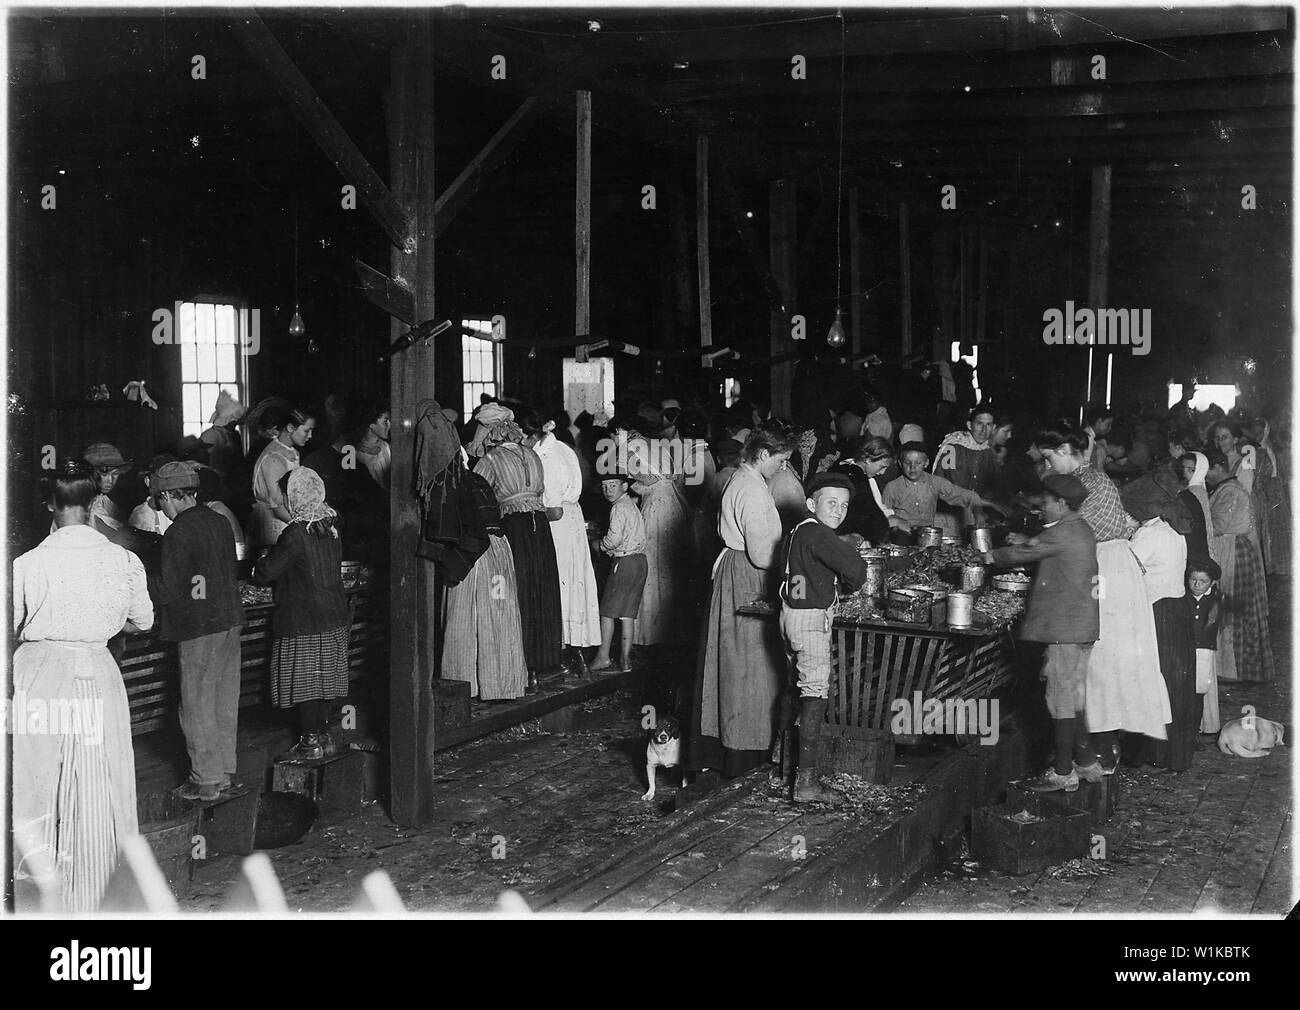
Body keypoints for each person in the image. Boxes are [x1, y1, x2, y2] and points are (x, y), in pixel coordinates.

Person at [12, 460, 154, 912]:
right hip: (99, 670)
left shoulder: (28, 563)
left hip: (41, 675)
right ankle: (99, 895)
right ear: (95, 501)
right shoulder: (122, 558)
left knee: (39, 785)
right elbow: (143, 620)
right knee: (101, 782)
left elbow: (12, 625)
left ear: (49, 504)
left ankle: (42, 905)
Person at [1035, 423, 1170, 771]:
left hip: (1107, 568)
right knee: (1096, 661)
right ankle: (1091, 743)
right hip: (1103, 565)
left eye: (1050, 458)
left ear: (1066, 450)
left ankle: (1104, 745)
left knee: (1104, 661)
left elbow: (1070, 533)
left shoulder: (1091, 483)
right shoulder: (1084, 479)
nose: (1048, 466)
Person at [688, 419, 795, 777]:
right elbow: (764, 555)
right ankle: (744, 750)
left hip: (738, 570)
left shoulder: (745, 479)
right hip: (749, 576)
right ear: (763, 454)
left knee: (742, 664)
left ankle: (741, 745)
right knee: (749, 667)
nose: (782, 468)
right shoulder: (750, 488)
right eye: (780, 460)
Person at [984, 473, 1099, 792]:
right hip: (1082, 626)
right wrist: (1027, 542)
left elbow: (1025, 553)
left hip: (1065, 629)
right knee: (1074, 696)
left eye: (1046, 504)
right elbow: (1044, 546)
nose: (1042, 509)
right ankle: (1087, 762)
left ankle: (1062, 771)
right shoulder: (1080, 528)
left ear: (1062, 504)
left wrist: (990, 555)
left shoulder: (1062, 532)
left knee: (1060, 699)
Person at [150, 461, 245, 799]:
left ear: (166, 497)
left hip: (198, 626)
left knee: (196, 704)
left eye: (158, 502)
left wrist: (134, 576)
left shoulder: (177, 531)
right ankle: (223, 775)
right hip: (229, 621)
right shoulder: (218, 521)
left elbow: (168, 590)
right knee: (223, 700)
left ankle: (204, 781)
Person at [778, 472, 867, 803]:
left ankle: (783, 764)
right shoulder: (820, 533)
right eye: (832, 502)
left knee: (793, 686)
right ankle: (806, 783)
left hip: (789, 616)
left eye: (844, 505)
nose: (839, 510)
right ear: (812, 503)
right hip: (811, 621)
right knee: (815, 695)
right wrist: (847, 583)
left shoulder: (798, 529)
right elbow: (858, 570)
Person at [254, 468, 350, 759]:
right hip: (333, 613)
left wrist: (261, 562)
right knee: (324, 682)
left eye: (285, 495)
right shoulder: (330, 525)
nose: (284, 501)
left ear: (295, 496)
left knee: (306, 683)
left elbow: (267, 572)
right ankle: (324, 737)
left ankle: (310, 743)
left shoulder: (295, 533)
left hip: (304, 617)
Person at [473, 418, 564, 689]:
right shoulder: (532, 454)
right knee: (542, 590)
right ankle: (543, 663)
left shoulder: (491, 459)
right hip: (540, 528)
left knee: (516, 591)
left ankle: (519, 666)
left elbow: (475, 491)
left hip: (513, 527)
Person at [440, 465, 528, 701]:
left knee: (465, 619)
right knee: (497, 616)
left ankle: (464, 686)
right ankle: (499, 685)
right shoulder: (477, 478)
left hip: (474, 554)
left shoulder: (450, 483)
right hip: (498, 550)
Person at [525, 412, 601, 677]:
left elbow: (553, 510)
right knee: (572, 588)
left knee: (559, 587)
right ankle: (576, 656)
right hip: (572, 520)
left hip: (558, 524)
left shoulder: (547, 458)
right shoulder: (563, 447)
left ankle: (561, 655)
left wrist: (524, 510)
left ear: (532, 436)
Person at [619, 422, 691, 649]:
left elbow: (641, 479)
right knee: (667, 570)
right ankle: (671, 630)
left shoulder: (635, 451)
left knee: (653, 569)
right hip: (669, 505)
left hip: (656, 509)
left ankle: (652, 632)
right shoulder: (656, 451)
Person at [1130, 514, 1194, 771]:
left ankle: (1155, 754)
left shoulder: (1149, 534)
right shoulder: (1173, 528)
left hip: (1157, 612)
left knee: (1156, 682)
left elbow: (1126, 568)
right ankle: (1173, 755)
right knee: (1174, 684)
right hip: (1177, 609)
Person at [1206, 450, 1274, 683]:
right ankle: (1235, 669)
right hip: (1236, 550)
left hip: (1233, 553)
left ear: (1216, 467)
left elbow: (1218, 525)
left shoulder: (1230, 492)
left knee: (1232, 612)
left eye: (1207, 472)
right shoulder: (1228, 488)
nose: (1205, 477)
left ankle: (1233, 671)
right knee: (1236, 612)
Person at [883, 442, 1004, 541]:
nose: (912, 467)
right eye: (907, 463)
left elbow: (963, 494)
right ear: (900, 463)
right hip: (901, 538)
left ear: (926, 463)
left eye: (918, 463)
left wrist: (977, 510)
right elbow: (882, 518)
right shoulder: (892, 487)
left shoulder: (935, 483)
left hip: (928, 537)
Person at [591, 472, 648, 673]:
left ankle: (603, 657)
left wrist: (600, 545)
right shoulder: (632, 505)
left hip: (624, 562)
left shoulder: (617, 508)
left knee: (607, 613)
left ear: (624, 486)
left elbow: (613, 540)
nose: (608, 490)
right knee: (627, 615)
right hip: (640, 562)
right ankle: (625, 661)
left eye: (613, 485)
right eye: (605, 486)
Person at [247, 406, 316, 548]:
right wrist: (304, 529)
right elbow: (277, 507)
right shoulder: (274, 458)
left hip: (289, 517)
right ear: (290, 427)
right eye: (306, 430)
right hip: (275, 522)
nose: (310, 436)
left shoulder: (293, 452)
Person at [932, 408, 1001, 533]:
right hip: (949, 517)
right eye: (979, 424)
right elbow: (945, 488)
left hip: (975, 516)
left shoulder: (989, 451)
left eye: (988, 425)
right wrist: (983, 504)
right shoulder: (953, 447)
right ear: (969, 425)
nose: (984, 430)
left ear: (994, 427)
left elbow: (993, 486)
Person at [831, 436, 894, 545]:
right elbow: (873, 515)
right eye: (881, 467)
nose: (883, 473)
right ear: (868, 459)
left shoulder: (845, 468)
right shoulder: (856, 476)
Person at [200, 390, 247, 481]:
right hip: (214, 480)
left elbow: (239, 461)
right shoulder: (210, 435)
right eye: (234, 421)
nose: (236, 423)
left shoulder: (235, 435)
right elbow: (206, 464)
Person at [354, 400, 392, 491]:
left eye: (389, 420)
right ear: (371, 424)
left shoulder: (385, 446)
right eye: (385, 421)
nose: (389, 425)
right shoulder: (356, 454)